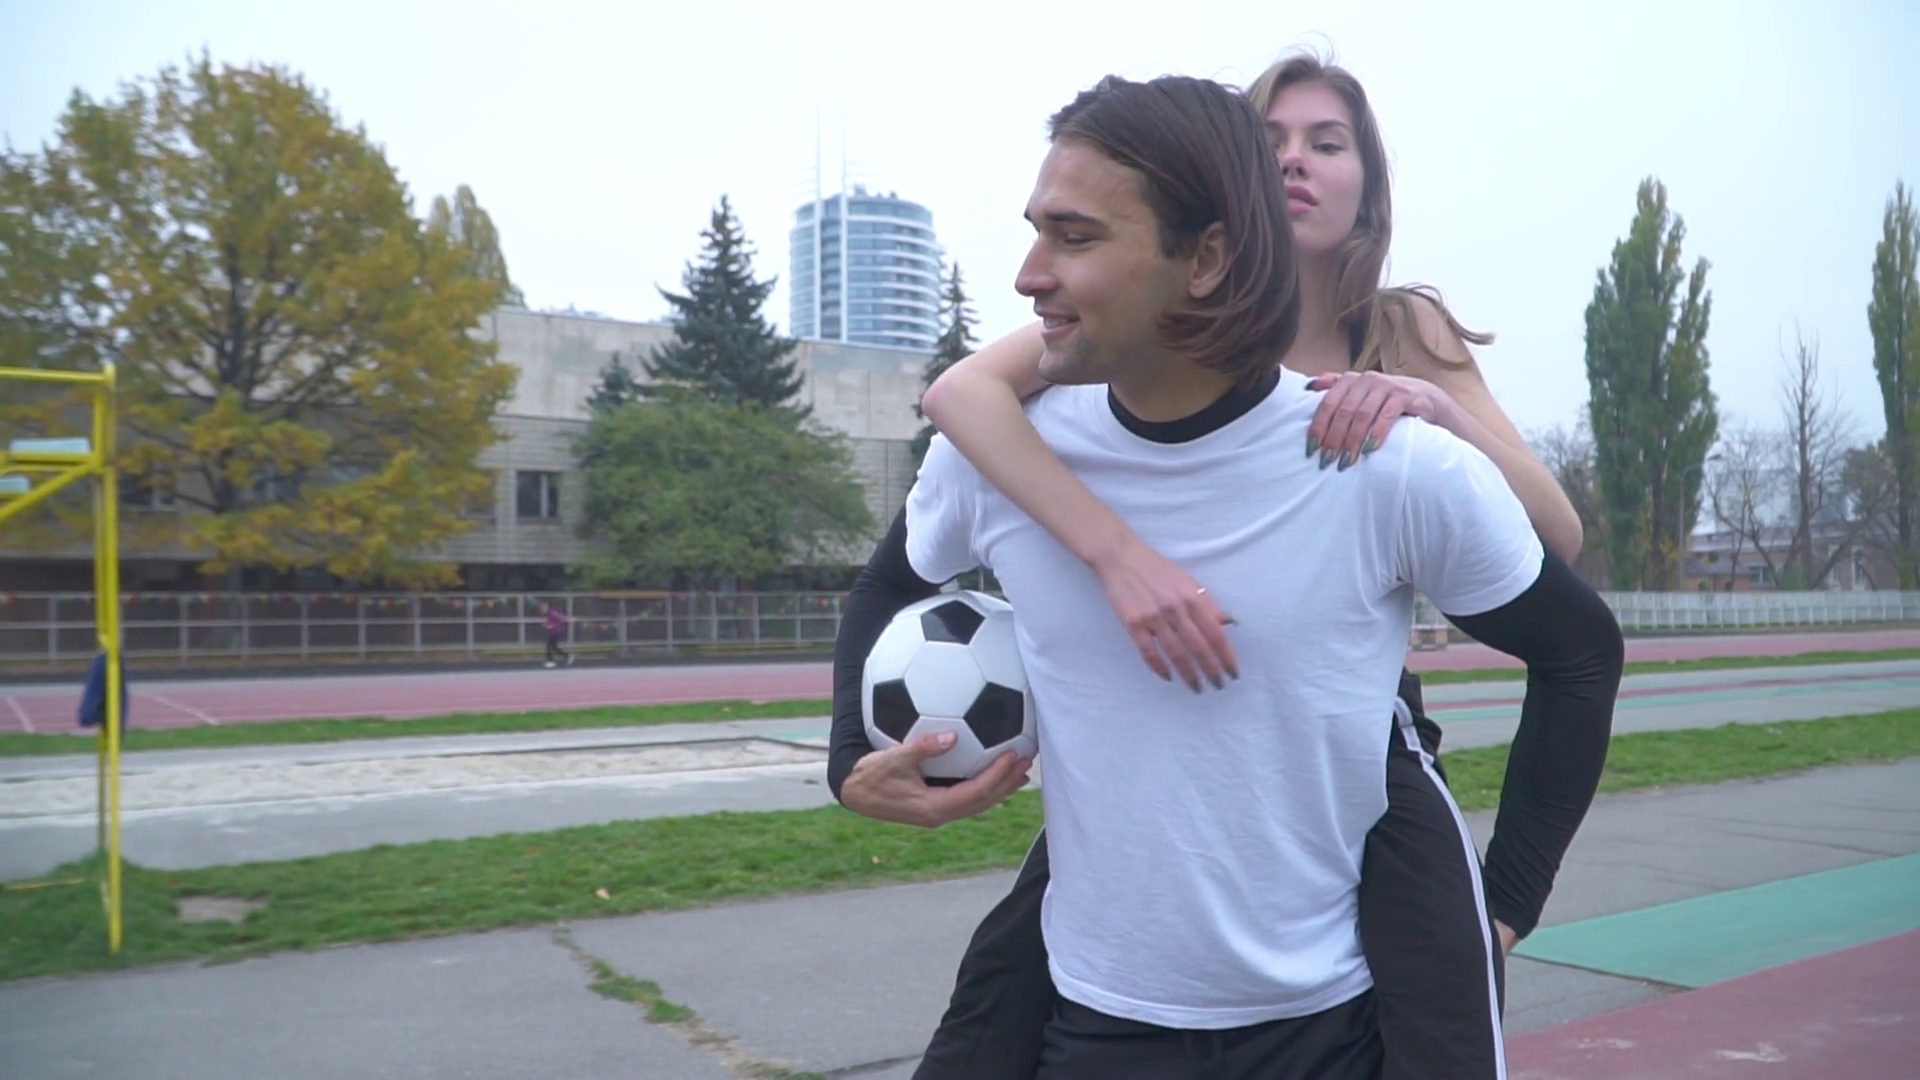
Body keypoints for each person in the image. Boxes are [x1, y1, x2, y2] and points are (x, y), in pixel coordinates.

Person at [829, 72, 1622, 1080]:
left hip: (1335, 1029)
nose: (1028, 275)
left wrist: (1505, 900)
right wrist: (850, 759)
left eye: (1074, 238)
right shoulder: (997, 455)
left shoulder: (1389, 461)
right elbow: (887, 584)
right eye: (1035, 233)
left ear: (1206, 258)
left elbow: (1580, 651)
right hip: (1091, 1024)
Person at [543, 602, 572, 668]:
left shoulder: (552, 613)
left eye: (544, 607)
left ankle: (550, 661)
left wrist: (552, 626)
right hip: (553, 632)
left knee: (549, 647)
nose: (543, 609)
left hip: (556, 632)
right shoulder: (549, 614)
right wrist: (547, 625)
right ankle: (567, 656)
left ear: (547, 607)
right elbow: (552, 622)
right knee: (554, 647)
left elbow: (561, 620)